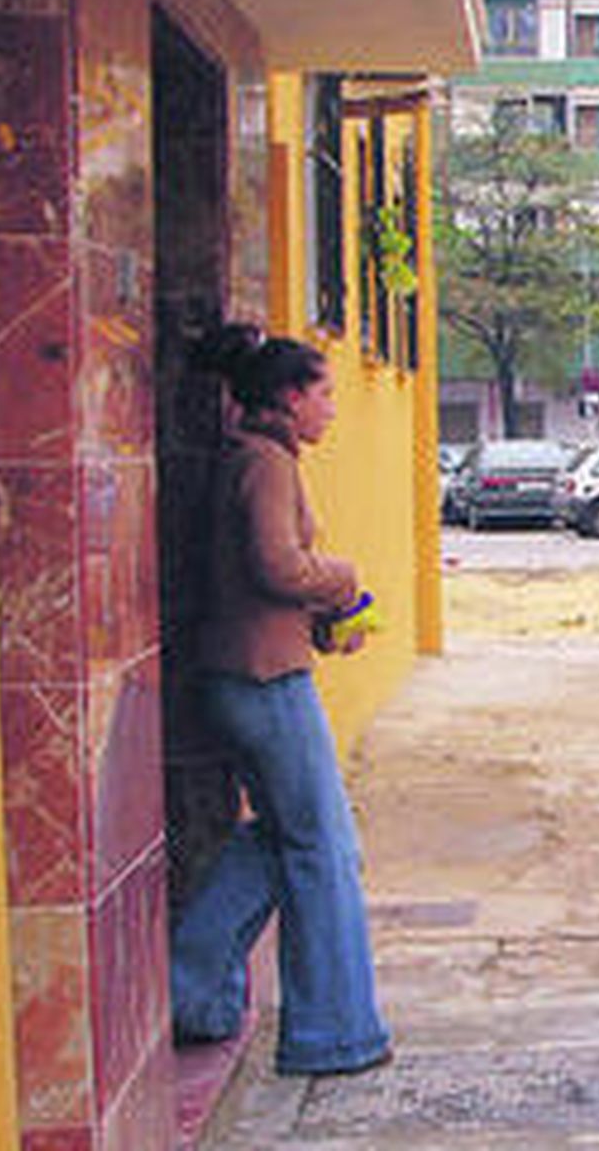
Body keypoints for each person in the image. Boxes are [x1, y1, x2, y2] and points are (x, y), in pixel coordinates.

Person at [170, 323, 392, 1077]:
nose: (331, 408)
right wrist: (344, 579)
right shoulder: (266, 463)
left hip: (247, 674)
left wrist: (326, 617)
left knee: (279, 840)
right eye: (324, 393)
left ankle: (192, 991)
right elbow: (276, 565)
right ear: (291, 397)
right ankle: (335, 1034)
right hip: (267, 684)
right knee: (323, 852)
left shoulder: (250, 454)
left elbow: (259, 576)